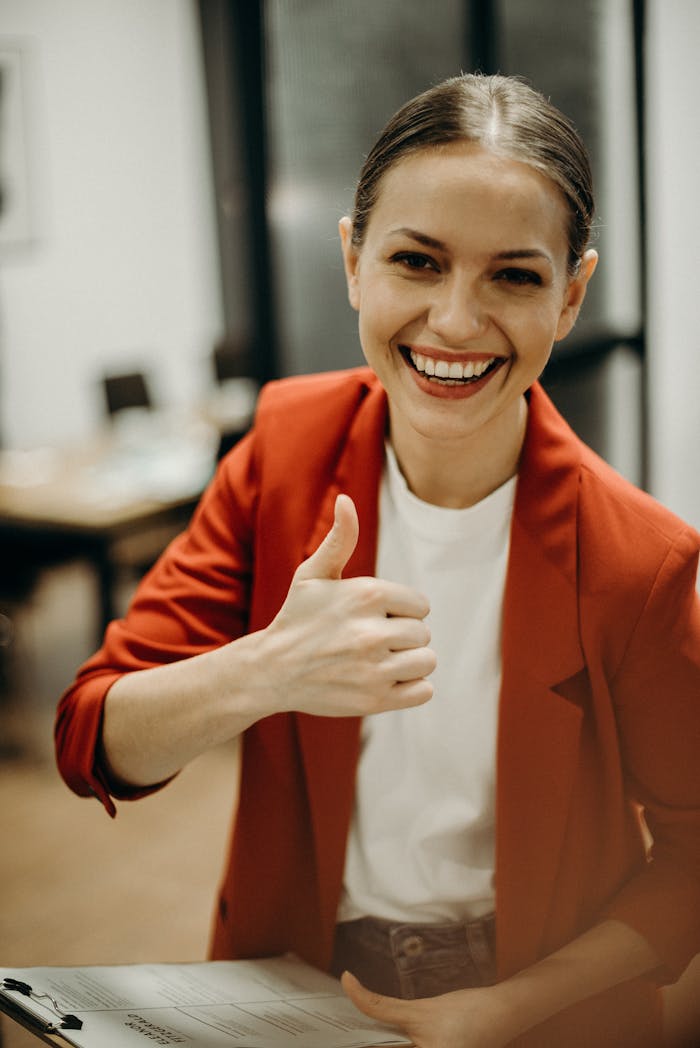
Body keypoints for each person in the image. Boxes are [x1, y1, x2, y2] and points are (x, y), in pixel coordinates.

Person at [55, 73, 700, 1048]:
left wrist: (510, 1006)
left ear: (570, 296)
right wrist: (263, 668)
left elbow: (693, 856)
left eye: (514, 276)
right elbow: (92, 739)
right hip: (299, 978)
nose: (452, 320)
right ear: (354, 261)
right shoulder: (281, 450)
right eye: (417, 261)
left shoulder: (639, 560)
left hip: (542, 994)